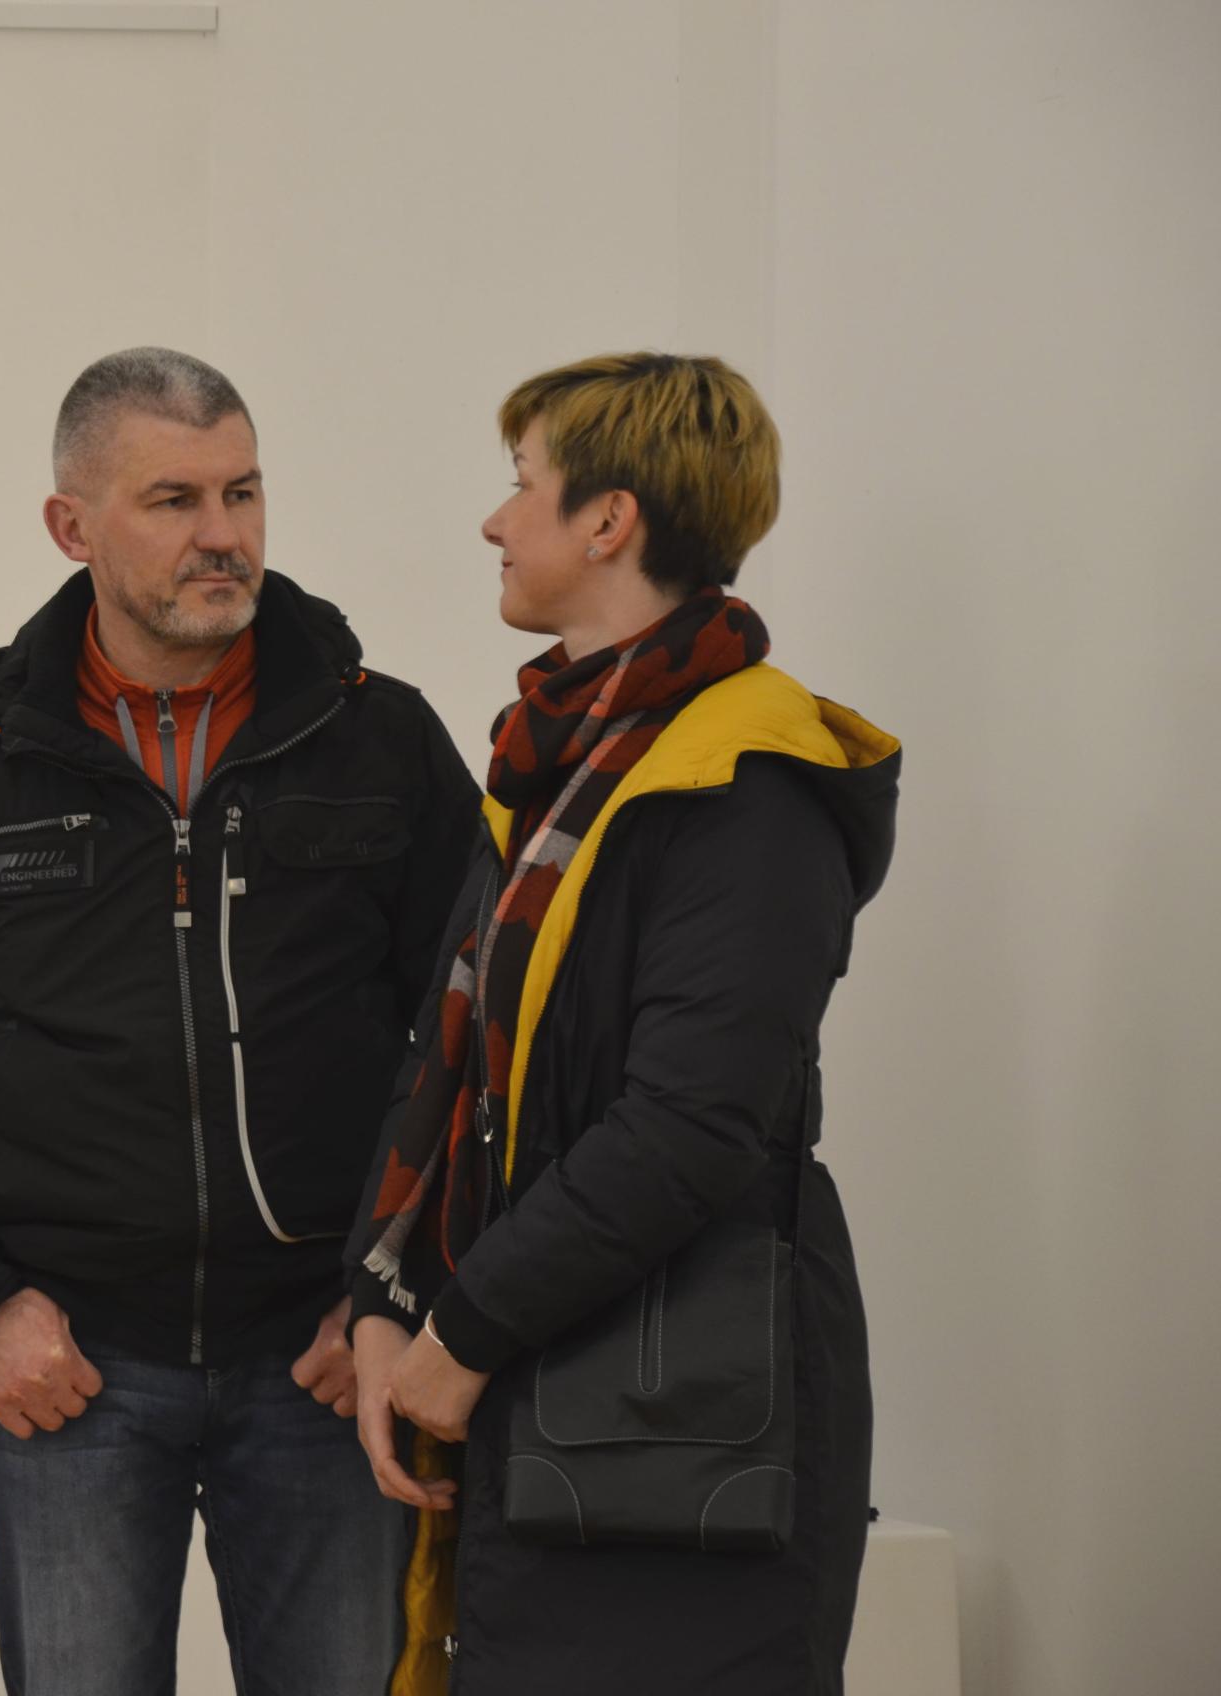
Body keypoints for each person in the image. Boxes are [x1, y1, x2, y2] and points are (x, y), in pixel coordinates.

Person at [0, 347, 480, 1694]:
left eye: (243, 492)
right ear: (73, 526)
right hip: (76, 1374)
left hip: (327, 1365)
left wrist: (396, 1298)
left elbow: (475, 1049)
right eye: (174, 500)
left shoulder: (382, 742)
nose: (224, 534)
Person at [346, 352, 900, 1695]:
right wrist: (382, 1296)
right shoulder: (559, 768)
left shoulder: (747, 781)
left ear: (608, 520)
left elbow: (691, 1125)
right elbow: (454, 1067)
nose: (494, 520)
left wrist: (466, 1333)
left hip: (687, 1422)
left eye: (522, 484)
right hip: (566, 1379)